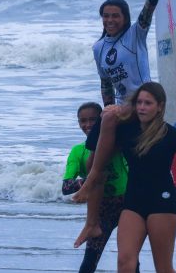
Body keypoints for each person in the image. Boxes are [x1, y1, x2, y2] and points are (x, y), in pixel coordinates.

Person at [73, 0, 164, 247]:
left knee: (96, 163)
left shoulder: (135, 36)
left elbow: (148, 12)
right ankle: (92, 224)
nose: (111, 20)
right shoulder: (98, 47)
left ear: (124, 17)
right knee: (91, 162)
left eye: (116, 15)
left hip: (141, 101)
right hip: (118, 108)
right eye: (106, 16)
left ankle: (90, 183)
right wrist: (107, 109)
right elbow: (106, 84)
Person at [114, 82, 176, 273]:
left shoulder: (170, 134)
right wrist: (109, 113)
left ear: (160, 106)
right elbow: (94, 141)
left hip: (162, 202)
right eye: (139, 102)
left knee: (163, 268)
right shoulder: (126, 130)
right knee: (124, 262)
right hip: (133, 202)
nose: (142, 107)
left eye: (148, 103)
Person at [62, 102, 131, 273]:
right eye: (82, 121)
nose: (87, 125)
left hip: (129, 207)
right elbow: (66, 186)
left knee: (129, 260)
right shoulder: (79, 151)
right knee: (89, 262)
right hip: (102, 211)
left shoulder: (121, 145)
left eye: (93, 120)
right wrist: (89, 181)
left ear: (102, 120)